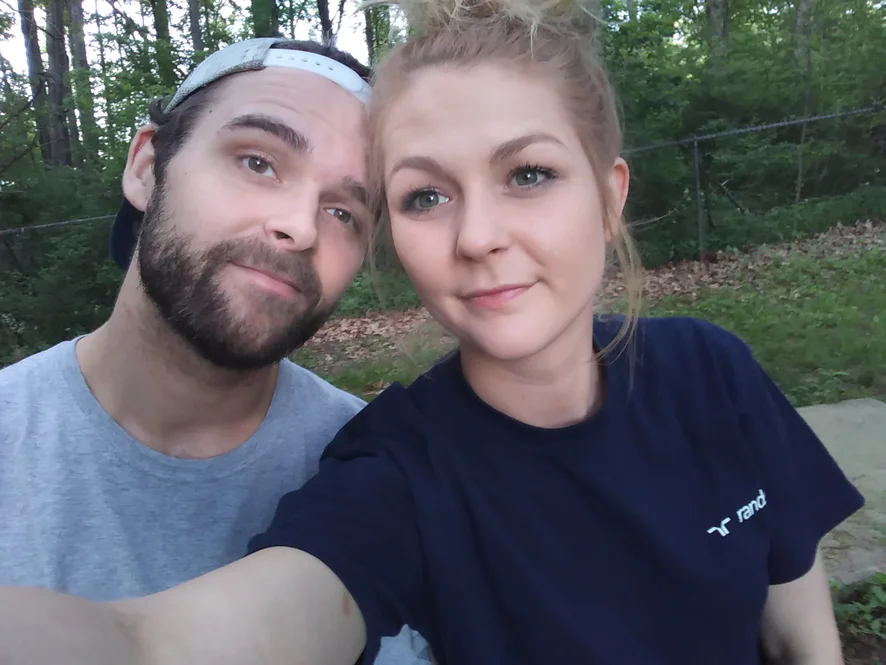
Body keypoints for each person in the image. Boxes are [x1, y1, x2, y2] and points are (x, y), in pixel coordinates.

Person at [0, 0, 866, 663]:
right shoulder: (392, 472)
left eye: (528, 173)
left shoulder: (708, 370)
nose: (478, 235)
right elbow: (156, 642)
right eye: (425, 195)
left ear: (609, 198)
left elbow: (796, 615)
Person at [0, 37, 373, 601]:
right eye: (258, 162)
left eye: (344, 211)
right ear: (147, 168)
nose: (301, 226)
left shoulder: (379, 469)